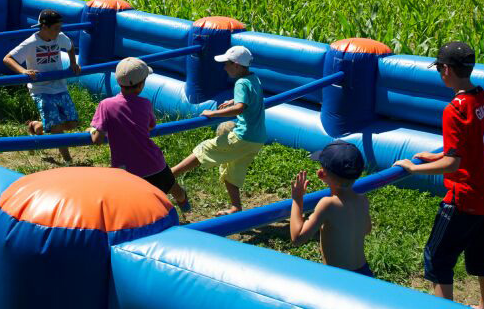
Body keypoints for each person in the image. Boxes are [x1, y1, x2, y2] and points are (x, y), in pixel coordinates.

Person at [395, 41, 484, 309]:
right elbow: (473, 147)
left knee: (438, 256)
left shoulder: (455, 109)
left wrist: (413, 169)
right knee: (482, 251)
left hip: (466, 196)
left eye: (439, 69)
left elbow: (453, 163)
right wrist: (438, 155)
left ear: (446, 70)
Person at [171, 45, 266, 215]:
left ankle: (170, 175)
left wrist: (213, 113)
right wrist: (234, 100)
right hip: (257, 139)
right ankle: (236, 207)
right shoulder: (254, 78)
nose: (224, 67)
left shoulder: (240, 83)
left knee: (204, 148)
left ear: (236, 65)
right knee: (231, 173)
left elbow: (239, 109)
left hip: (243, 136)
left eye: (227, 64)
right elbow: (252, 99)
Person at [89, 57, 190, 213]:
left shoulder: (106, 105)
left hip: (126, 169)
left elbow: (97, 139)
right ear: (141, 85)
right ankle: (186, 210)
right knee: (173, 189)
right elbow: (151, 125)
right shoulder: (145, 103)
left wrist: (92, 129)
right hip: (153, 163)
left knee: (134, 205)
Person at [3, 9, 81, 163]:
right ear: (44, 27)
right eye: (56, 28)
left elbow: (70, 46)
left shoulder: (59, 37)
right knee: (57, 128)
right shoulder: (31, 42)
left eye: (60, 28)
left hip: (60, 86)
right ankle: (68, 161)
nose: (59, 31)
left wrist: (73, 63)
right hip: (41, 90)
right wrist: (23, 71)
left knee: (73, 123)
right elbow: (7, 58)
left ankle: (37, 126)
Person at [289, 141, 373, 275]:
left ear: (322, 174)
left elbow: (297, 238)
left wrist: (297, 199)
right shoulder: (363, 200)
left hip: (338, 278)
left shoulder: (327, 204)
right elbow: (367, 229)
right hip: (364, 273)